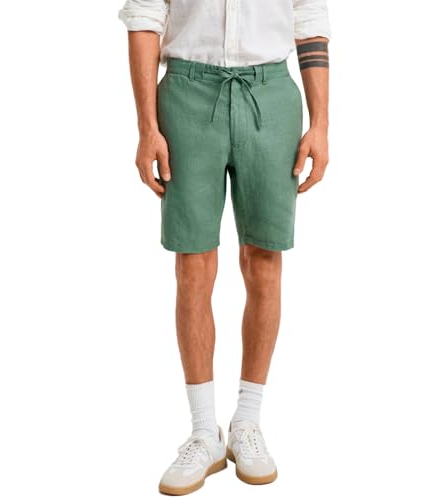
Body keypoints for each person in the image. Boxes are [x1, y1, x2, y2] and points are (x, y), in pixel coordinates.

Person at [117, 0, 331, 495]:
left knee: (264, 263)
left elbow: (310, 21)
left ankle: (247, 422)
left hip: (271, 95)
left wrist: (320, 124)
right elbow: (145, 17)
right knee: (193, 266)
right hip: (186, 94)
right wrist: (147, 127)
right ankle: (203, 432)